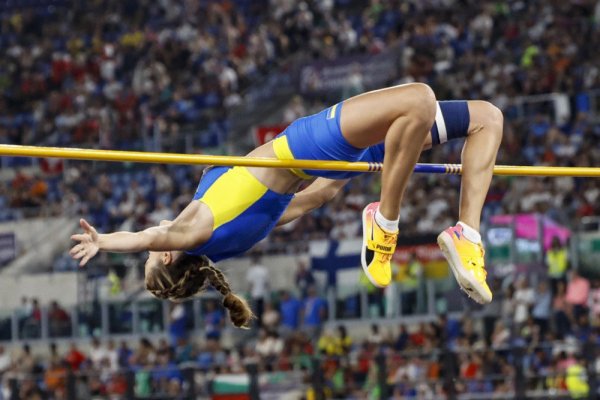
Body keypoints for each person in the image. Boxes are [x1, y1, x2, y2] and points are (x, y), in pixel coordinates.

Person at [70, 84, 503, 328]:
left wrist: (360, 166)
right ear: (166, 253)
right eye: (152, 255)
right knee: (420, 100)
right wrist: (103, 242)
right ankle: (384, 222)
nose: (153, 240)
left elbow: (318, 196)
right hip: (309, 142)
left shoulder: (232, 230)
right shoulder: (195, 230)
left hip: (335, 156)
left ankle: (467, 233)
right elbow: (149, 235)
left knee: (487, 118)